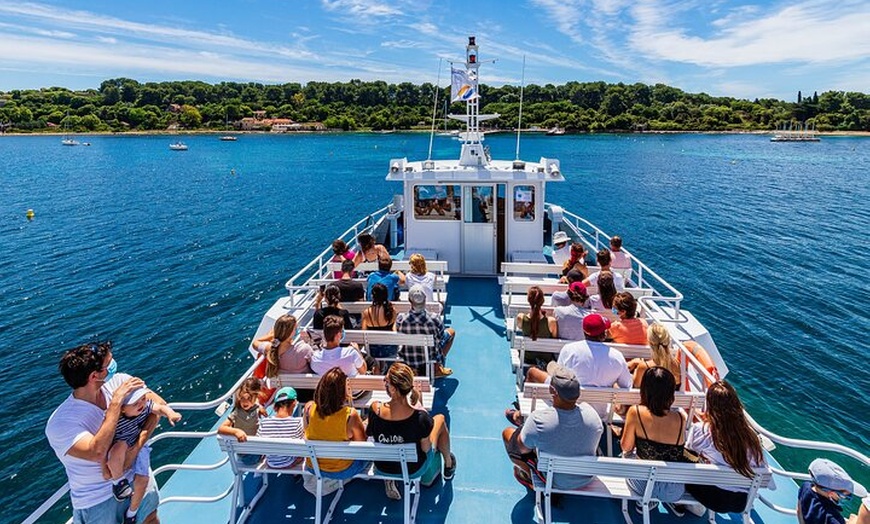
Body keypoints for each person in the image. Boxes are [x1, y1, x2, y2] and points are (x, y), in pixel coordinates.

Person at [46, 341, 161, 524]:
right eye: (109, 364)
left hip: (137, 477)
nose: (114, 365)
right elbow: (97, 451)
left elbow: (158, 407)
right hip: (99, 499)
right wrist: (115, 403)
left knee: (150, 519)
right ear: (94, 376)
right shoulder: (60, 423)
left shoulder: (119, 381)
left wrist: (135, 449)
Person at [503, 364, 603, 490]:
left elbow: (521, 449)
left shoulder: (538, 419)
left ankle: (529, 476)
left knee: (508, 434)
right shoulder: (593, 415)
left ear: (552, 390)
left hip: (554, 480)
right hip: (586, 478)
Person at [366, 363, 456, 499]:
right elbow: (426, 449)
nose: (385, 384)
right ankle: (448, 464)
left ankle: (390, 479)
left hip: (382, 466)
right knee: (440, 419)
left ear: (393, 389)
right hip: (413, 469)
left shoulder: (375, 409)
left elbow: (370, 434)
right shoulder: (420, 418)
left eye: (386, 381)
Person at [684, 381, 775, 513]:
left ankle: (680, 504)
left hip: (710, 497)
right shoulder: (752, 438)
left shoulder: (701, 430)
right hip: (740, 503)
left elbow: (689, 455)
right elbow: (768, 482)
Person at [526, 314, 632, 418]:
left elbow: (559, 379)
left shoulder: (569, 349)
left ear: (584, 331)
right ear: (604, 334)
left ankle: (523, 413)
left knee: (532, 372)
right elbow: (627, 385)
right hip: (598, 413)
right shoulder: (617, 356)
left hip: (567, 406)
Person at [105, 385, 181, 523]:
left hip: (139, 447)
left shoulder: (145, 407)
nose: (141, 404)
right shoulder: (115, 420)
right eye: (135, 403)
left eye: (143, 398)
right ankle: (118, 482)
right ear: (122, 408)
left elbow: (160, 407)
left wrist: (171, 414)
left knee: (143, 480)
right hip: (123, 445)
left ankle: (131, 513)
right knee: (118, 449)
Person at [620, 367, 688, 511]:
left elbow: (626, 447)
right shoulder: (680, 418)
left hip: (641, 485)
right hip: (672, 490)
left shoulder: (635, 412)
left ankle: (643, 502)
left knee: (625, 456)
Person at [303, 368, 368, 481]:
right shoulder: (350, 416)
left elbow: (306, 431)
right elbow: (361, 445)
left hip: (313, 467)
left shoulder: (309, 407)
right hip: (342, 470)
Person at [396, 285, 455, 378]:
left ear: (410, 300)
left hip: (408, 359)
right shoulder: (434, 318)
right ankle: (437, 367)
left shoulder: (400, 318)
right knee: (451, 332)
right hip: (429, 357)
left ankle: (414, 369)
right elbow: (440, 338)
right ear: (425, 299)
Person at [798, 458, 868, 524]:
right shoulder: (833, 518)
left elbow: (799, 511)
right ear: (831, 494)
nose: (847, 496)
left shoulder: (805, 487)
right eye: (845, 496)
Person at [257, 387, 305, 469]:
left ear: (275, 406)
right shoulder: (298, 422)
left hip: (271, 462)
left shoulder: (264, 423)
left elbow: (259, 442)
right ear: (294, 403)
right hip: (289, 462)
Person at [627, 323, 681, 388]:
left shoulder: (644, 367)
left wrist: (636, 368)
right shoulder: (676, 364)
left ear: (649, 342)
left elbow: (636, 386)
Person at [218, 378, 266, 449]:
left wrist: (260, 407)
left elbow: (256, 403)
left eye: (248, 398)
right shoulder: (237, 412)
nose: (244, 402)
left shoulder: (256, 406)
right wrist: (236, 432)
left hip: (256, 444)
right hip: (244, 447)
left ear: (256, 397)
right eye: (242, 398)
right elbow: (221, 428)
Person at [362, 283, 397, 359]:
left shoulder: (367, 312)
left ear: (373, 296)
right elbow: (394, 329)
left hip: (373, 351)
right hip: (389, 350)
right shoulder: (391, 310)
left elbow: (364, 331)